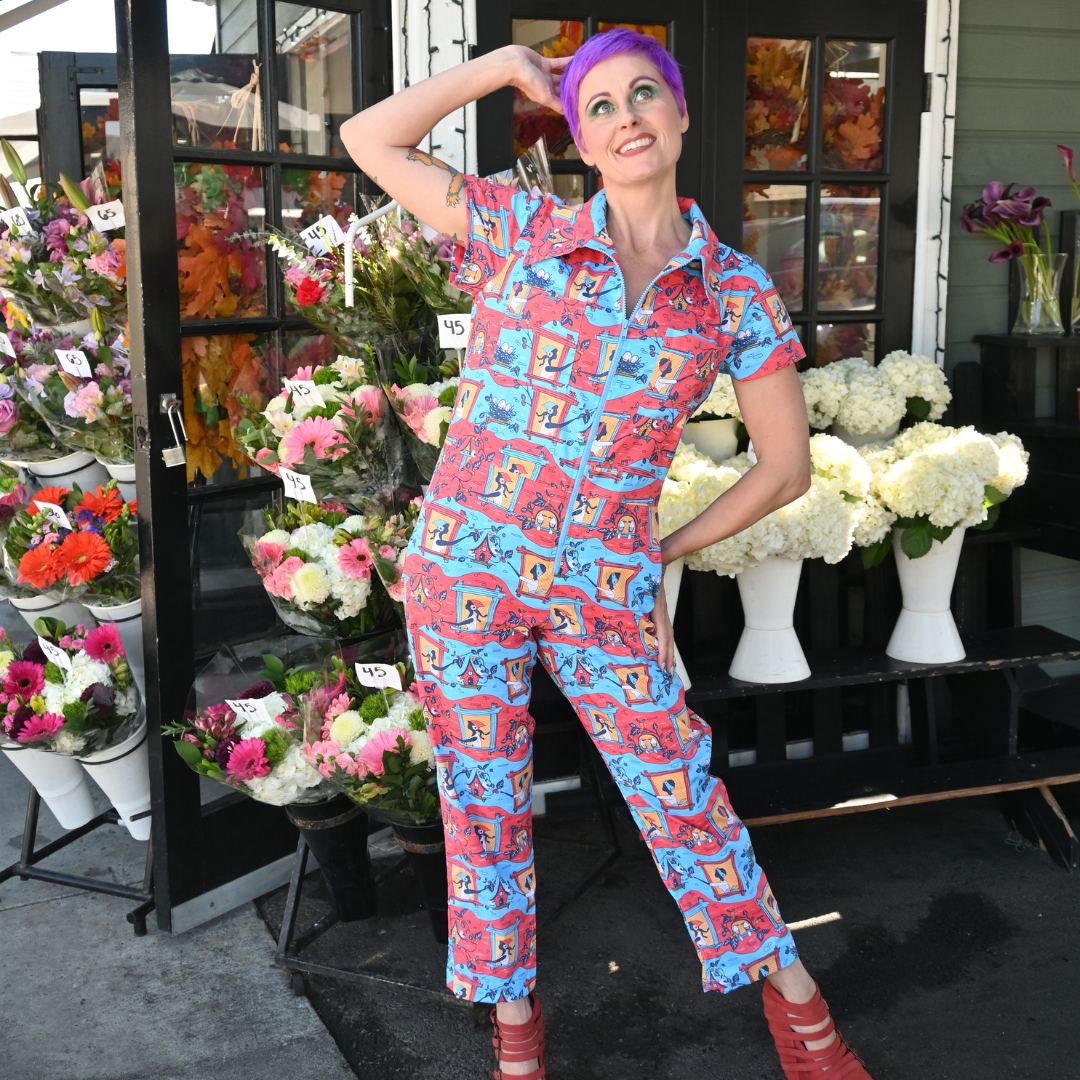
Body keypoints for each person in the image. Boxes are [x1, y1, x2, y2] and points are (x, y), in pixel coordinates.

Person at [342, 28, 872, 1080]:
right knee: (483, 805)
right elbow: (370, 138)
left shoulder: (735, 295)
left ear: (678, 117)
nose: (626, 116)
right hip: (466, 572)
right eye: (599, 107)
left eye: (644, 96)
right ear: (583, 141)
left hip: (605, 587)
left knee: (680, 790)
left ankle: (800, 1015)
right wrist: (501, 71)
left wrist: (660, 549)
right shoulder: (520, 226)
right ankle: (516, 1038)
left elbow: (785, 468)